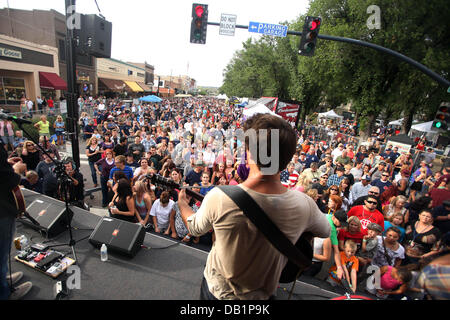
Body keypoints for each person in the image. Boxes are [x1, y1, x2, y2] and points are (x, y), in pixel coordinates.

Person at [177, 113, 331, 300]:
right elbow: (325, 230)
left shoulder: (220, 197)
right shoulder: (304, 205)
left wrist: (183, 204)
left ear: (249, 154)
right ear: (288, 158)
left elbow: (195, 228)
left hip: (217, 294)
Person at [0, 142, 33, 300]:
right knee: (1, 250)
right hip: (2, 207)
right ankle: (5, 293)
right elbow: (6, 179)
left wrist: (5, 164)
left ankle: (3, 280)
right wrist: (16, 172)